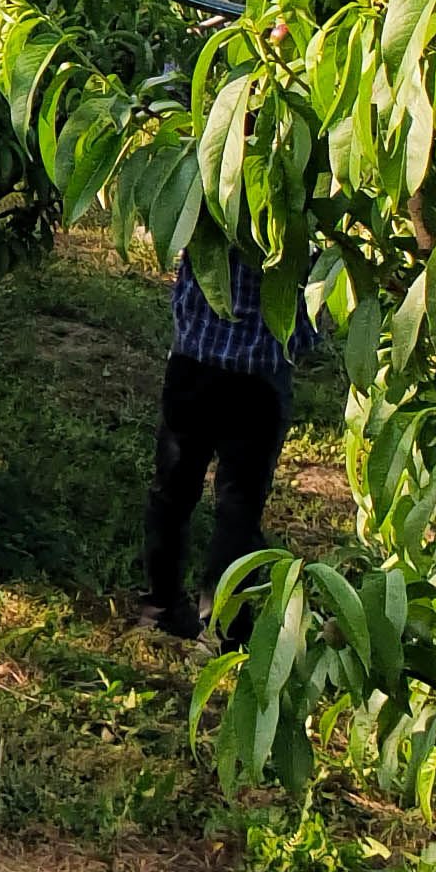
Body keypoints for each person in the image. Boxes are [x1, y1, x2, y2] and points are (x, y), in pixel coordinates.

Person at [144, 253, 317, 641]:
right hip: (259, 378)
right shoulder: (300, 208)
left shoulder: (203, 195)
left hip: (194, 361)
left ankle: (161, 605)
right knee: (239, 508)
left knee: (171, 492)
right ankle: (224, 626)